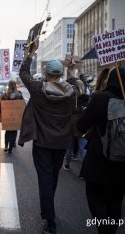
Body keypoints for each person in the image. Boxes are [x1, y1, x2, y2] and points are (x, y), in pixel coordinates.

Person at [18, 41, 75, 234]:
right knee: (53, 177)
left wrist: (30, 53)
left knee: (45, 179)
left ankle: (50, 221)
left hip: (42, 142)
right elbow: (76, 86)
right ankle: (49, 209)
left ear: (46, 73)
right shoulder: (70, 92)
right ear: (60, 74)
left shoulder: (38, 89)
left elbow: (23, 72)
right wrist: (72, 70)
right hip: (61, 143)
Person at [76, 66, 125, 234]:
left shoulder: (100, 99)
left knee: (94, 197)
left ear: (110, 81)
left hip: (99, 162)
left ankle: (104, 229)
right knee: (116, 202)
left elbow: (81, 125)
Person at [63, 79, 89, 171]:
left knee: (69, 146)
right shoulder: (85, 94)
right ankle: (85, 169)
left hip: (70, 121)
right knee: (83, 147)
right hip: (82, 122)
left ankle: (67, 164)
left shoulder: (71, 94)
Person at [0, 80, 24, 155]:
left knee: (7, 131)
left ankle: (6, 146)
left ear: (8, 86)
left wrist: (2, 113)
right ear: (15, 86)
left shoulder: (4, 95)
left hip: (7, 116)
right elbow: (23, 105)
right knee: (14, 132)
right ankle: (10, 149)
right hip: (15, 117)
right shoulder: (19, 95)